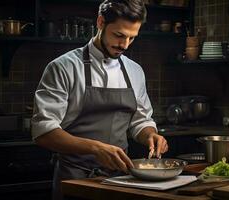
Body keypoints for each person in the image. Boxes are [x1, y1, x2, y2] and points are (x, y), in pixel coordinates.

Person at [31, 0, 168, 199]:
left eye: (132, 38)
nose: (124, 45)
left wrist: (149, 135)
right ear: (101, 22)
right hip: (75, 178)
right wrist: (96, 148)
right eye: (119, 35)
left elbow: (141, 120)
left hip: (121, 179)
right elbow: (43, 132)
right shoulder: (63, 67)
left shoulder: (135, 71)